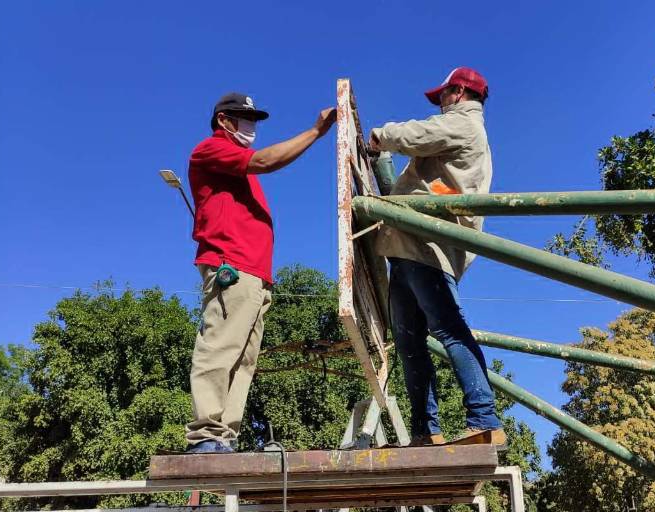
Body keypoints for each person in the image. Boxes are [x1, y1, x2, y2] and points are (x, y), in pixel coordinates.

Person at [185, 92, 336, 453]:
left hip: (254, 274)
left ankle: (224, 436)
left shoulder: (236, 166)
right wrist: (316, 131)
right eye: (243, 117)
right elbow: (267, 161)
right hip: (231, 266)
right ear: (224, 120)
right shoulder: (210, 149)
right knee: (220, 347)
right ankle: (206, 434)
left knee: (244, 358)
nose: (251, 126)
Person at [368, 68, 505, 446]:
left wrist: (381, 136)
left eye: (443, 96)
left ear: (458, 92)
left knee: (448, 329)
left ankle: (484, 418)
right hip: (409, 243)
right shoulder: (468, 132)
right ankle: (426, 431)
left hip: (427, 244)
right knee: (411, 344)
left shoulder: (464, 124)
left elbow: (420, 135)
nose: (440, 103)